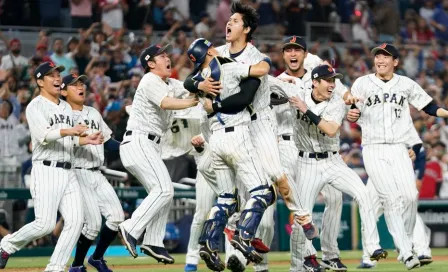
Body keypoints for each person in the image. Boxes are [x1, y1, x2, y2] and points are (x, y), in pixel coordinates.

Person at [184, 3, 316, 271]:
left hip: (259, 122)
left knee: (277, 177)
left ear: (246, 28)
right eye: (228, 19)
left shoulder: (256, 56)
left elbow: (258, 79)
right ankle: (237, 239)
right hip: (231, 126)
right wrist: (198, 84)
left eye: (234, 20)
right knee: (240, 191)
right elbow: (190, 79)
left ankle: (300, 216)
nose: (228, 23)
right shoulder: (217, 52)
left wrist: (277, 80)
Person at [271, 64, 388, 272]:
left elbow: (331, 129)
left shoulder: (336, 101)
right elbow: (267, 84)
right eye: (328, 80)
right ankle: (302, 262)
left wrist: (305, 109)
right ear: (315, 82)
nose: (332, 84)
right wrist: (280, 81)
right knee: (303, 216)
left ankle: (372, 247)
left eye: (334, 80)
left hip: (333, 161)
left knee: (363, 194)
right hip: (307, 163)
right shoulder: (298, 91)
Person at [347, 43, 448, 269]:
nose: (380, 60)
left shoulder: (405, 84)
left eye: (386, 56)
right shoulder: (362, 83)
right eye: (378, 56)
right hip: (374, 148)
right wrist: (352, 115)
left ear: (396, 61)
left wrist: (446, 113)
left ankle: (410, 244)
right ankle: (405, 252)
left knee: (410, 197)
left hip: (400, 149)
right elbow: (352, 112)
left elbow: (429, 106)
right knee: (391, 200)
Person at [0, 61, 103, 271]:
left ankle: (55, 268)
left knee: (76, 221)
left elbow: (70, 139)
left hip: (69, 170)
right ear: (40, 81)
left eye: (58, 74)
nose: (57, 78)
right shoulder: (35, 106)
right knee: (44, 225)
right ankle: (7, 244)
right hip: (46, 169)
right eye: (51, 75)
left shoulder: (65, 106)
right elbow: (44, 136)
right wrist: (69, 131)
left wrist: (86, 140)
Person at [185, 37, 275, 272]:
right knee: (263, 192)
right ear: (209, 51)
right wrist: (264, 58)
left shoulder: (198, 79)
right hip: (236, 135)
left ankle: (207, 243)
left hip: (215, 140)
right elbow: (262, 69)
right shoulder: (229, 66)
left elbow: (188, 83)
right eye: (211, 47)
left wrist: (197, 86)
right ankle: (244, 236)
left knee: (226, 199)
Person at [117, 44, 198, 264]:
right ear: (151, 63)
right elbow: (167, 102)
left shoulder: (169, 82)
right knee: (164, 189)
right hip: (139, 141)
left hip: (149, 145)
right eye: (161, 56)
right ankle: (130, 227)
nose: (167, 57)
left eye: (166, 54)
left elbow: (190, 86)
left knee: (163, 192)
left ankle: (153, 241)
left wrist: (203, 82)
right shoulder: (149, 80)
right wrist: (192, 101)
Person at [273, 35, 347, 272]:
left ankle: (331, 254)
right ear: (283, 55)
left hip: (319, 146)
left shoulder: (320, 77)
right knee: (301, 206)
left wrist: (352, 103)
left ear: (305, 55)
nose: (293, 54)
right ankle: (306, 257)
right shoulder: (277, 81)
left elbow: (342, 95)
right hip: (287, 147)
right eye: (288, 50)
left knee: (335, 198)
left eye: (297, 50)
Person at [60, 73, 125, 272]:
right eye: (74, 85)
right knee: (93, 225)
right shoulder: (61, 115)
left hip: (98, 172)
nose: (80, 87)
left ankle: (96, 258)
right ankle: (77, 265)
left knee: (116, 217)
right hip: (77, 173)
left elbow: (108, 142)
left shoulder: (93, 112)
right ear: (63, 91)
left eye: (81, 83)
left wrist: (130, 146)